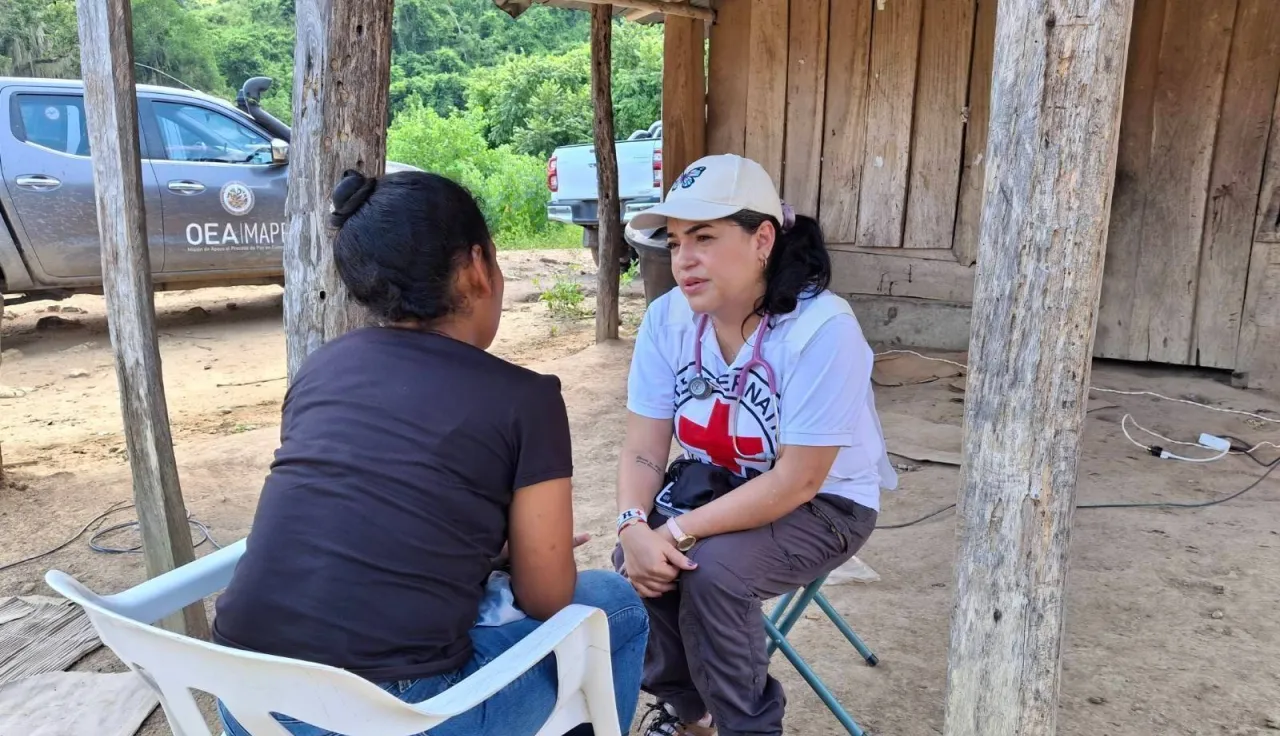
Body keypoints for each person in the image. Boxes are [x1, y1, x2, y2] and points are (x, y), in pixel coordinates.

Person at [211, 169, 648, 736]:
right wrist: (523, 556)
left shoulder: (324, 367)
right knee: (615, 605)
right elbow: (546, 598)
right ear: (474, 269)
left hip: (246, 702)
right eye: (497, 259)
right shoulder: (525, 399)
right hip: (397, 715)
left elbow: (355, 512)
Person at [612, 154, 898, 736]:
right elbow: (643, 449)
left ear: (763, 238)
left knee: (713, 572)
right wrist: (632, 527)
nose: (683, 258)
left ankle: (748, 727)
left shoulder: (822, 329)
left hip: (827, 505)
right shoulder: (668, 319)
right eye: (674, 240)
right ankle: (692, 713)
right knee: (634, 564)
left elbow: (798, 481)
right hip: (716, 484)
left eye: (705, 237)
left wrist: (671, 531)